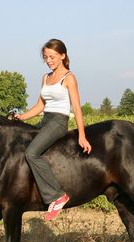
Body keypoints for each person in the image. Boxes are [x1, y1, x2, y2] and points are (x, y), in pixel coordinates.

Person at [15, 38, 92, 221]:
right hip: (45, 119)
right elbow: (40, 105)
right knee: (20, 144)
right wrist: (22, 117)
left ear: (63, 56)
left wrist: (82, 135)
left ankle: (57, 196)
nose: (49, 60)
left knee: (32, 153)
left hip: (58, 122)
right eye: (46, 57)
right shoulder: (46, 77)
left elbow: (77, 108)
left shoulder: (69, 78)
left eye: (52, 56)